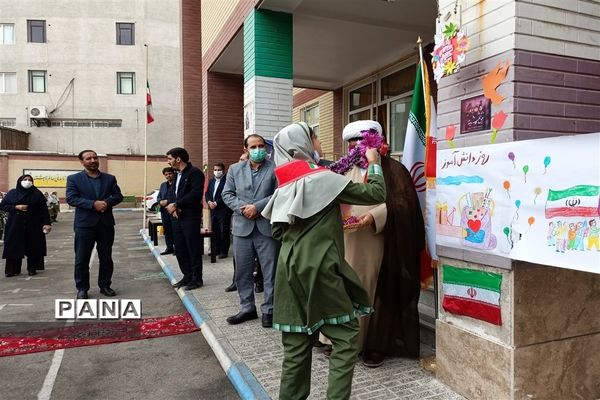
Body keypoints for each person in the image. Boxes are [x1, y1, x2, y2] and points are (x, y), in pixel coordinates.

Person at [261, 122, 386, 400]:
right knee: (347, 335)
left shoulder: (284, 186)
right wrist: (374, 163)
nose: (318, 141)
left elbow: (278, 230)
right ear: (301, 146)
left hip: (288, 269)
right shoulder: (324, 179)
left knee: (296, 343)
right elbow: (377, 194)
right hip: (320, 268)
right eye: (314, 136)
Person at [334, 120, 425, 367]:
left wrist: (373, 217)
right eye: (351, 143)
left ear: (375, 141)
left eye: (360, 142)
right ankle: (345, 343)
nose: (355, 148)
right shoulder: (343, 169)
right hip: (347, 240)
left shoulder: (394, 170)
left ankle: (374, 342)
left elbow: (404, 207)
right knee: (345, 291)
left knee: (372, 290)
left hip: (378, 241)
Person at [222, 134, 278, 328]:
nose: (258, 149)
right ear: (246, 149)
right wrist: (244, 208)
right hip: (241, 227)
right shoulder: (234, 169)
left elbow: (278, 193)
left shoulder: (275, 168)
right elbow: (226, 194)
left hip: (265, 227)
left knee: (270, 272)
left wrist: (258, 207)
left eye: (261, 146)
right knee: (243, 271)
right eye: (253, 147)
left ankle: (269, 310)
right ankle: (247, 308)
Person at [66, 150, 123, 299]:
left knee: (106, 257)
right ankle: (82, 288)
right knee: (81, 258)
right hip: (84, 225)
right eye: (88, 158)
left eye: (95, 157)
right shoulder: (74, 179)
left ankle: (105, 285)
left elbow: (118, 196)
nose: (93, 160)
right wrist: (93, 204)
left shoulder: (109, 179)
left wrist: (106, 203)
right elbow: (71, 199)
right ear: (82, 161)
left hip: (105, 224)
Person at [165, 147, 205, 290]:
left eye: (169, 158)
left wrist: (176, 204)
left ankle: (196, 278)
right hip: (176, 217)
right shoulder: (177, 174)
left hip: (190, 216)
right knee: (180, 247)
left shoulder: (195, 173)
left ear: (178, 159)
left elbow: (195, 194)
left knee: (192, 247)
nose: (168, 161)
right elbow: (172, 192)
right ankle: (187, 276)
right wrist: (171, 206)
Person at [1, 175, 52, 277]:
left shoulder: (37, 194)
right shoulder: (12, 193)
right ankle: (12, 270)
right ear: (20, 181)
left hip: (33, 224)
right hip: (15, 224)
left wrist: (47, 223)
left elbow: (44, 210)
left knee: (33, 246)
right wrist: (16, 207)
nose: (27, 181)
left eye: (29, 180)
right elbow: (3, 206)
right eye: (25, 180)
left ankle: (32, 268)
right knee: (13, 246)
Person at [205, 162, 233, 259]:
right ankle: (216, 250)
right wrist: (209, 202)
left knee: (224, 231)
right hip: (213, 210)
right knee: (215, 231)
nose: (217, 172)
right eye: (215, 170)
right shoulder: (211, 181)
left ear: (223, 171)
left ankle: (223, 251)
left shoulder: (227, 181)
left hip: (224, 210)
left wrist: (216, 203)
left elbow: (227, 194)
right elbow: (207, 193)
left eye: (219, 170)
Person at [157, 167, 176, 255]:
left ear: (173, 173)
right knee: (167, 229)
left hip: (174, 210)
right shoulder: (163, 185)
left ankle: (177, 248)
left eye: (170, 173)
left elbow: (176, 196)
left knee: (175, 230)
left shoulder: (177, 184)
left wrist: (167, 201)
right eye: (166, 174)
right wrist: (160, 201)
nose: (168, 176)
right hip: (164, 211)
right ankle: (169, 247)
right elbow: (159, 196)